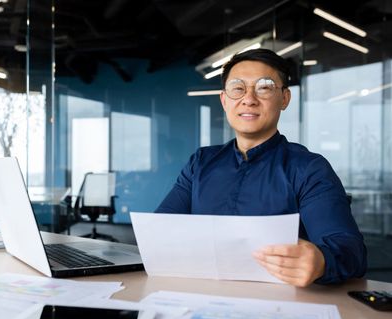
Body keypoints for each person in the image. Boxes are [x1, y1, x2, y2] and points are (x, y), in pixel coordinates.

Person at [156, 48, 366, 287]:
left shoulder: (308, 168)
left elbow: (351, 250)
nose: (249, 99)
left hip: (278, 304)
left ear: (284, 99)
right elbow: (161, 229)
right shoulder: (201, 162)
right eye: (238, 88)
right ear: (224, 100)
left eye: (264, 87)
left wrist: (321, 262)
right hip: (199, 293)